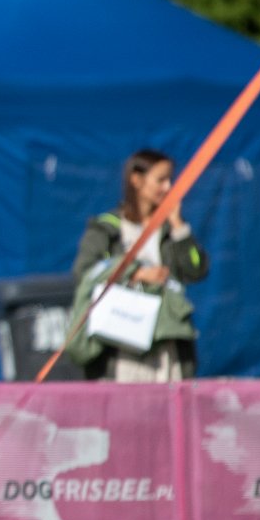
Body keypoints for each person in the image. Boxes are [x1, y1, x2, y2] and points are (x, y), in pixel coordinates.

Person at [70, 148, 210, 382]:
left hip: (166, 345)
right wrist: (136, 273)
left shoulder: (169, 229)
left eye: (170, 180)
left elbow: (196, 270)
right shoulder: (108, 228)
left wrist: (178, 225)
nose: (168, 187)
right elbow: (85, 272)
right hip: (122, 345)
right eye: (161, 180)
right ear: (136, 180)